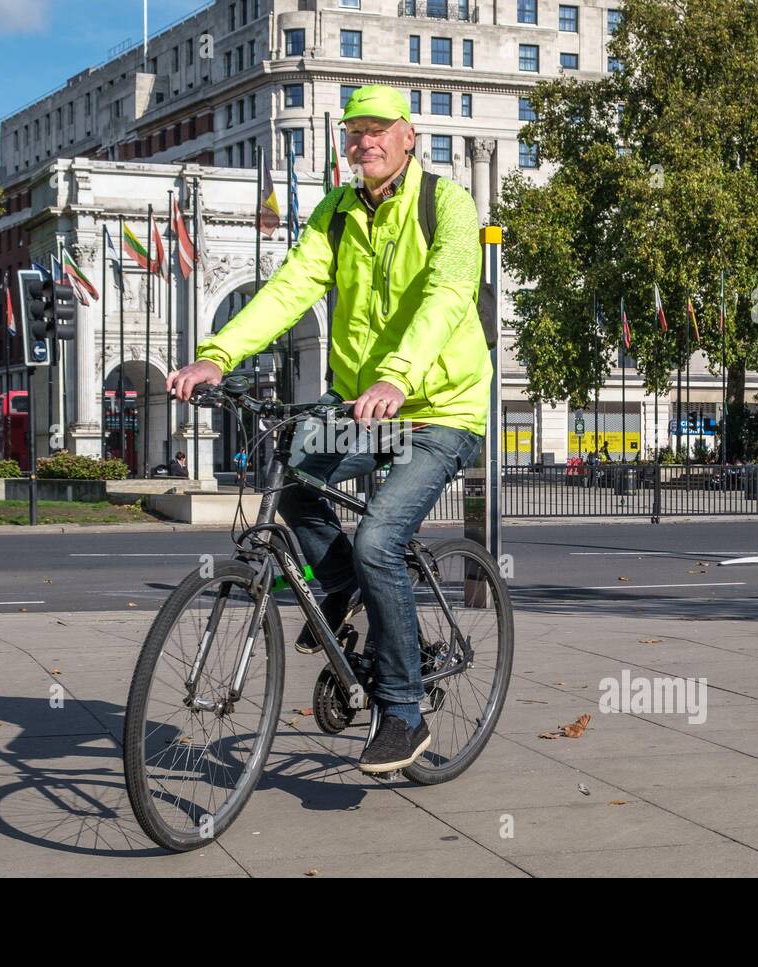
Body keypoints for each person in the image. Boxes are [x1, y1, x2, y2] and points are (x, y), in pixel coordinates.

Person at [167, 84, 489, 773]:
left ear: (408, 136)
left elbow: (446, 294)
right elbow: (288, 289)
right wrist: (217, 355)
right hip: (362, 407)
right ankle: (338, 585)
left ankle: (401, 710)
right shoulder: (337, 213)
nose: (363, 141)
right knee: (295, 484)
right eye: (353, 132)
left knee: (379, 537)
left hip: (439, 407)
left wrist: (399, 375)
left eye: (376, 130)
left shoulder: (447, 204)